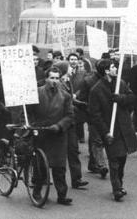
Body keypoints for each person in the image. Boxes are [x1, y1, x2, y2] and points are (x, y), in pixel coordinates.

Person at [88, 59, 137, 202]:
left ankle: (119, 183)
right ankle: (116, 189)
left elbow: (132, 97)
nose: (116, 69)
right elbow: (95, 115)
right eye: (113, 67)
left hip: (124, 127)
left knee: (122, 158)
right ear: (106, 71)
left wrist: (121, 98)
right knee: (114, 160)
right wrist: (105, 132)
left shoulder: (120, 83)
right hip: (110, 130)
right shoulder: (96, 90)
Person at [28, 67, 75, 205]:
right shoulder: (37, 93)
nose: (54, 81)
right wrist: (31, 124)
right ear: (46, 79)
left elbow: (70, 115)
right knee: (40, 166)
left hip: (58, 135)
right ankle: (37, 191)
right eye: (52, 78)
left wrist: (59, 126)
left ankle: (62, 195)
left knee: (59, 167)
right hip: (41, 133)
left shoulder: (65, 95)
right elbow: (29, 112)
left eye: (57, 78)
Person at [56, 60, 89, 189]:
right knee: (59, 154)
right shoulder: (59, 84)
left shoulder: (68, 82)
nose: (71, 68)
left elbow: (71, 99)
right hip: (61, 122)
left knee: (73, 150)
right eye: (69, 67)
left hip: (70, 123)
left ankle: (77, 178)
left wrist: (80, 104)